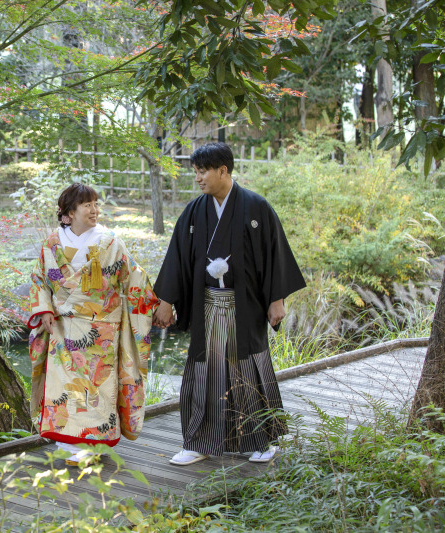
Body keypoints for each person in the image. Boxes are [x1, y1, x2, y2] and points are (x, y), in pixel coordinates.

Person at [152, 142, 305, 466]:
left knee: (247, 369)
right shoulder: (194, 212)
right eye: (195, 172)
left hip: (245, 306)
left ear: (223, 170)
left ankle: (259, 440)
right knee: (204, 372)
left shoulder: (255, 207)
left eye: (202, 171)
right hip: (205, 305)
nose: (198, 178)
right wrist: (165, 302)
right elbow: (177, 258)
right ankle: (199, 441)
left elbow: (274, 255)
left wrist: (276, 301)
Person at [28, 183, 158, 465]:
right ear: (69, 212)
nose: (95, 210)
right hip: (62, 327)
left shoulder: (111, 242)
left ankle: (94, 442)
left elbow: (133, 277)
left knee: (96, 387)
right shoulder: (51, 243)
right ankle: (69, 440)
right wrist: (45, 309)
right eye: (87, 205)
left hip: (101, 330)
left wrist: (157, 303)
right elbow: (39, 279)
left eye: (96, 204)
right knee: (66, 388)